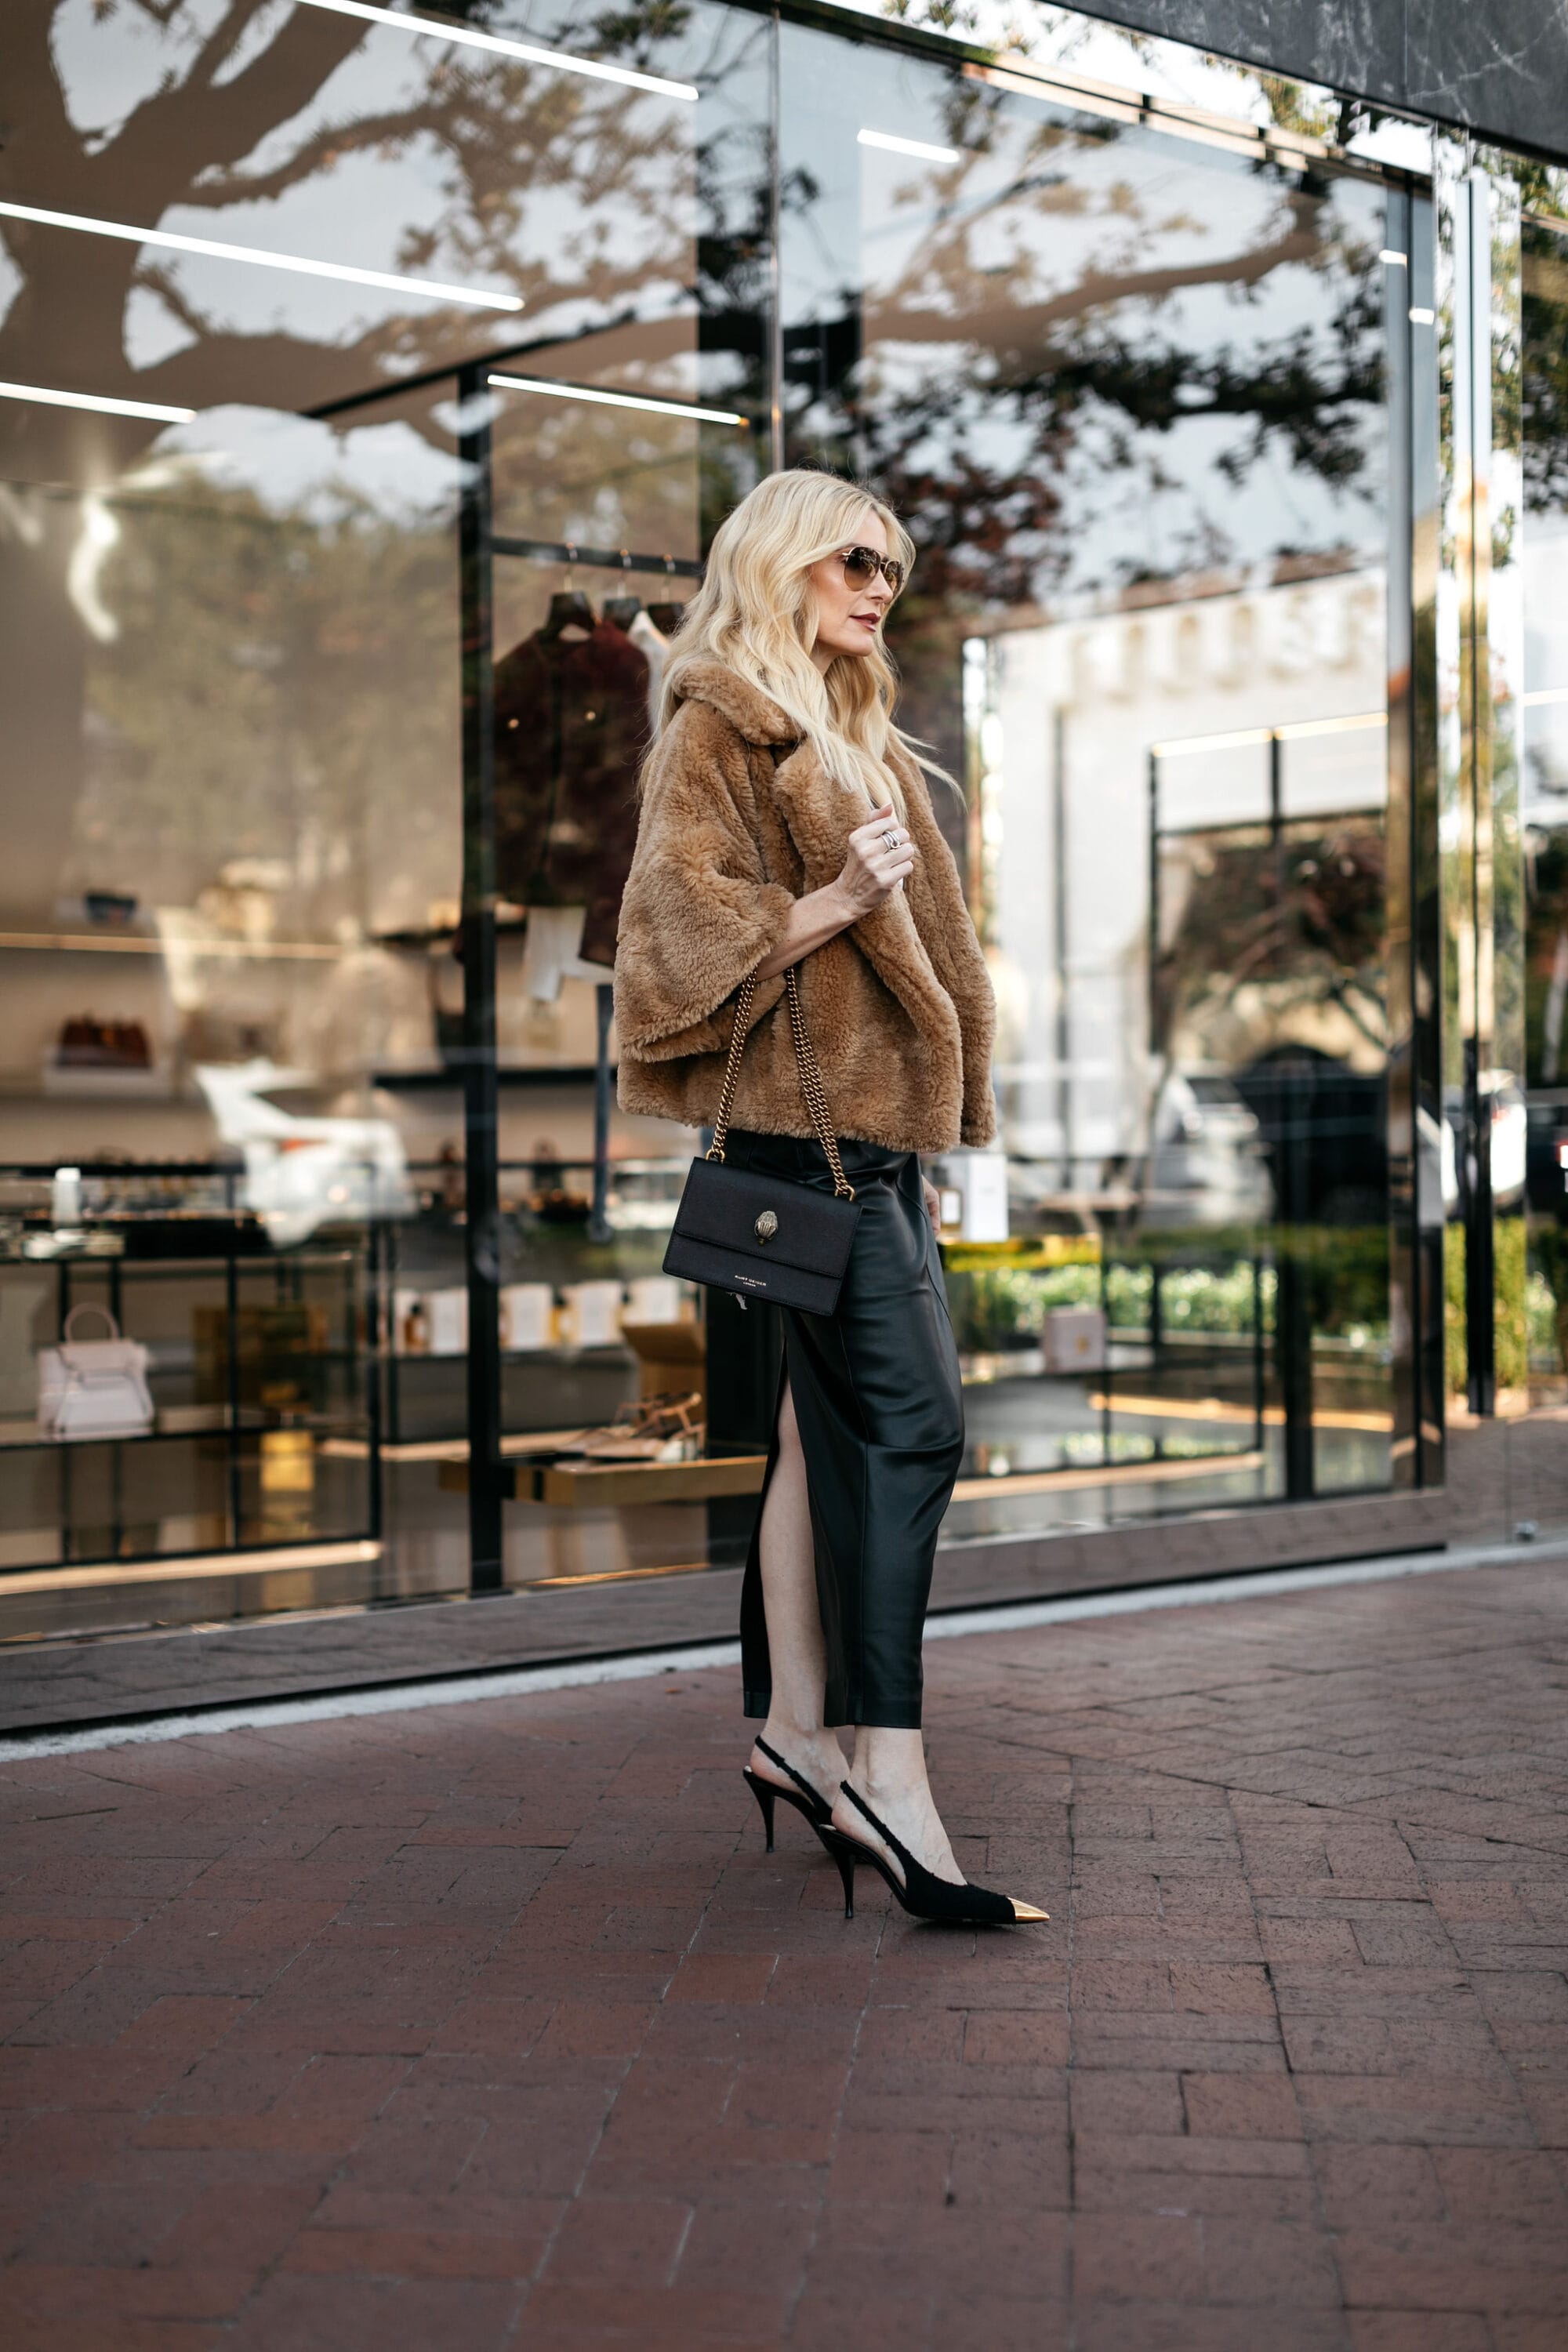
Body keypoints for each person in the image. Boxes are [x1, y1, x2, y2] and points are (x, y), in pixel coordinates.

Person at [614, 470, 1046, 1926]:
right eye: (855, 560)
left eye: (895, 569)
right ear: (784, 561)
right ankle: (890, 1773)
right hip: (813, 1155)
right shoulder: (718, 725)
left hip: (874, 1151)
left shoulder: (856, 734)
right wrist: (833, 904)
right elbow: (675, 959)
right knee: (914, 1435)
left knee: (819, 1441)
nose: (878, 586)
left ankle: (798, 1735)